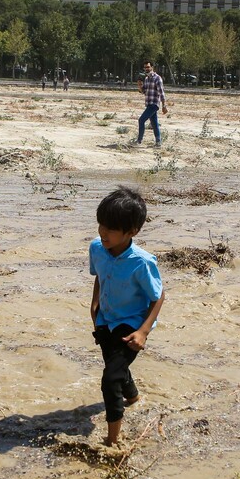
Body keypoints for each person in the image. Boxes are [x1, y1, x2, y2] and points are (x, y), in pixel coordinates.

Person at [89, 186, 164, 446]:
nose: (103, 233)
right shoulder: (97, 248)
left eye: (110, 229)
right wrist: (94, 305)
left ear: (132, 232)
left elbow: (158, 296)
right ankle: (133, 399)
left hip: (130, 325)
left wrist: (143, 332)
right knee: (115, 367)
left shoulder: (142, 262)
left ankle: (112, 442)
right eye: (101, 225)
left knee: (110, 380)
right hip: (105, 320)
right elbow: (99, 275)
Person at [136, 61, 167, 146]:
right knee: (154, 123)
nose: (146, 69)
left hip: (154, 104)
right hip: (149, 103)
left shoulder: (157, 78)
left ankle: (139, 140)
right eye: (145, 67)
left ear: (152, 67)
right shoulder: (146, 79)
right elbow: (144, 91)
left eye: (148, 67)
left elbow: (161, 93)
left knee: (141, 120)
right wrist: (139, 86)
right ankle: (158, 142)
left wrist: (164, 105)